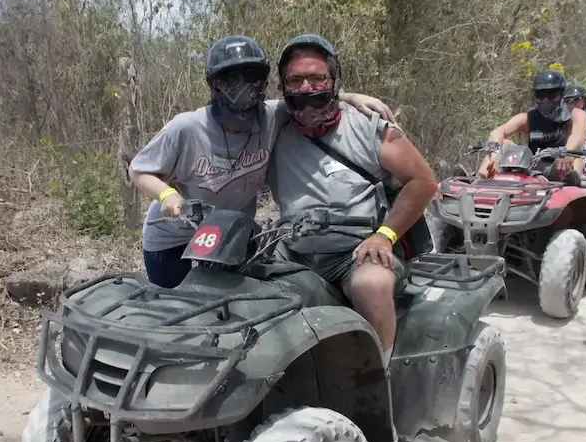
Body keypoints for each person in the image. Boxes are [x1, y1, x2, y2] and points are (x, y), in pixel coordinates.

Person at [128, 34, 396, 288]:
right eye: (232, 78)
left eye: (252, 76)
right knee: (174, 309)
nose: (244, 86)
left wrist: (352, 97)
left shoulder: (271, 116)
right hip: (173, 237)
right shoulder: (186, 128)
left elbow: (308, 96)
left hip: (230, 235)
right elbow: (139, 170)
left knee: (226, 309)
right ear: (214, 83)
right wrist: (165, 194)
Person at [266, 34, 438, 369]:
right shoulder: (274, 125)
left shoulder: (369, 126)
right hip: (295, 251)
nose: (306, 88)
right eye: (296, 80)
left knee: (371, 285)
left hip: (358, 250)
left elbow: (423, 181)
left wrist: (385, 236)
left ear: (332, 80)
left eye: (317, 78)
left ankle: (379, 375)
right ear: (283, 86)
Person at [477, 69, 586, 186]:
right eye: (541, 96)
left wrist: (567, 153)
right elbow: (497, 132)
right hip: (530, 164)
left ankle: (571, 185)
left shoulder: (575, 114)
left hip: (559, 164)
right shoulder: (529, 117)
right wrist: (496, 153)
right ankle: (478, 180)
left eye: (551, 95)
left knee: (576, 157)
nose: (545, 100)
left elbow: (578, 136)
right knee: (502, 144)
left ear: (562, 95)